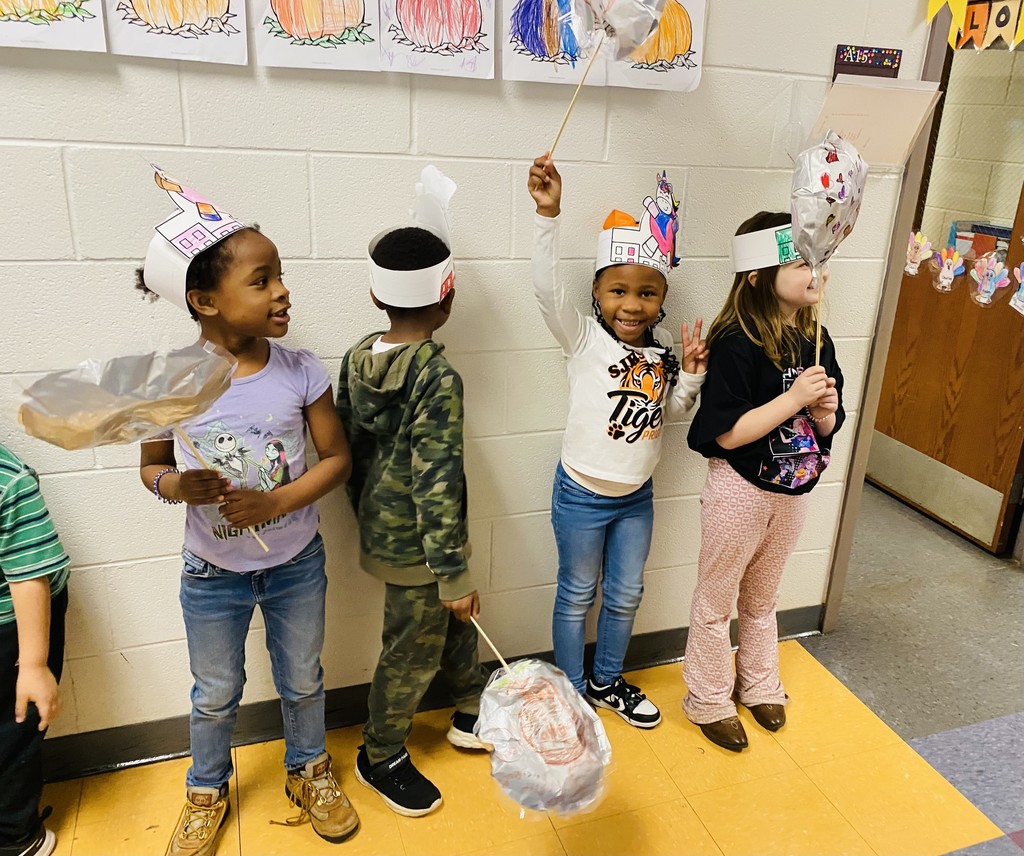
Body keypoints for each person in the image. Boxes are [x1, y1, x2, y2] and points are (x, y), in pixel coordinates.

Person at [134, 169, 357, 854]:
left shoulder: (300, 370)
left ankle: (308, 769)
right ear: (203, 299)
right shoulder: (169, 379)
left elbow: (336, 458)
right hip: (211, 573)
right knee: (215, 692)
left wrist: (275, 502)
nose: (282, 290)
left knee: (302, 677)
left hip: (295, 562)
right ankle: (206, 789)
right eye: (261, 280)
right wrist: (178, 488)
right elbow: (150, 467)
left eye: (279, 275)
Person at [528, 154, 707, 729]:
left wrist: (694, 376)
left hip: (636, 496)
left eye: (648, 293)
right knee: (578, 593)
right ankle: (573, 690)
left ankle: (607, 682)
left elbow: (669, 414)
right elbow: (544, 288)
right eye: (619, 291)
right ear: (598, 293)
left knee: (626, 593)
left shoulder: (660, 356)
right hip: (581, 492)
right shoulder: (581, 339)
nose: (633, 304)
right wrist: (547, 215)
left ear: (661, 299)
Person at [337, 167, 488, 819]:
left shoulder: (355, 358)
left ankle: (470, 711)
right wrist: (451, 571)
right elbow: (436, 482)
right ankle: (381, 753)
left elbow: (347, 451)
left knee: (445, 627)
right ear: (447, 296)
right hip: (427, 546)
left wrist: (369, 518)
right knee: (410, 647)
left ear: (376, 295)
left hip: (384, 530)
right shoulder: (438, 377)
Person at [684, 211, 845, 751]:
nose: (813, 272)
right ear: (755, 275)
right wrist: (794, 398)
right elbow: (728, 433)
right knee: (717, 597)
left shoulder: (815, 337)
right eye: (800, 261)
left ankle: (758, 684)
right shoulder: (734, 339)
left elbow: (825, 426)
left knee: (763, 594)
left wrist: (825, 406)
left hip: (791, 489)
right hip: (739, 487)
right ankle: (707, 697)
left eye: (817, 260)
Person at [0, 443, 70, 856]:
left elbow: (30, 576)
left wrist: (33, 665)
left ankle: (17, 835)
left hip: (15, 622)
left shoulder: (7, 480)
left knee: (14, 725)